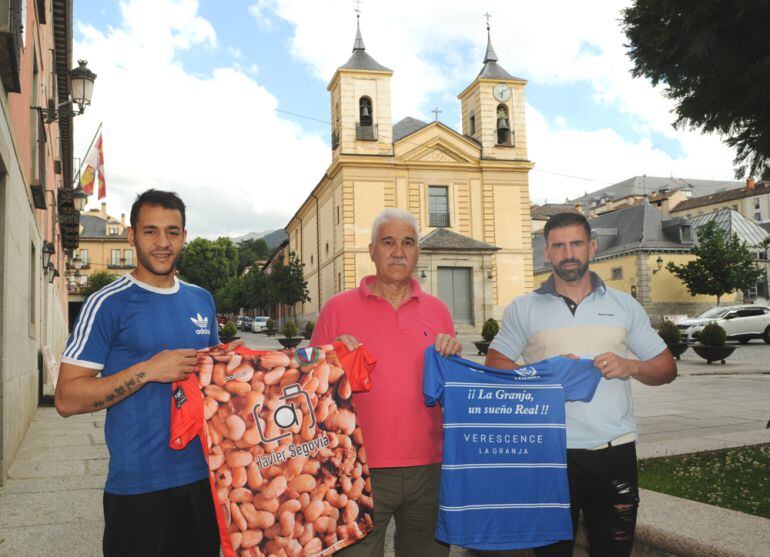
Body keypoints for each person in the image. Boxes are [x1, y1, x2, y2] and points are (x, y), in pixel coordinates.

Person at [485, 211, 677, 557]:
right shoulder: (524, 308)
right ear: (547, 253)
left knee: (613, 551)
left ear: (591, 247)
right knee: (551, 553)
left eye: (576, 243)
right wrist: (545, 373)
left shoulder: (624, 306)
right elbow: (495, 364)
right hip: (549, 454)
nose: (568, 253)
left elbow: (666, 368)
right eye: (558, 246)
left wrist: (629, 365)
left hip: (614, 451)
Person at [55, 189, 221, 557]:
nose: (162, 243)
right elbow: (66, 399)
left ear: (184, 236)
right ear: (131, 236)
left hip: (204, 482)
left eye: (172, 232)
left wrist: (313, 361)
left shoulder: (201, 300)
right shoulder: (107, 303)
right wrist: (147, 371)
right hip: (138, 490)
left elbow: (219, 384)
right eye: (150, 231)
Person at [310, 208, 462, 557]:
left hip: (430, 466)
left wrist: (453, 358)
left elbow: (449, 388)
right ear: (372, 251)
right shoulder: (337, 309)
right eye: (388, 242)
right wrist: (330, 357)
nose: (398, 251)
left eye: (408, 242)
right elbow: (309, 390)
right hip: (357, 466)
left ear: (418, 252)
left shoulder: (438, 311)